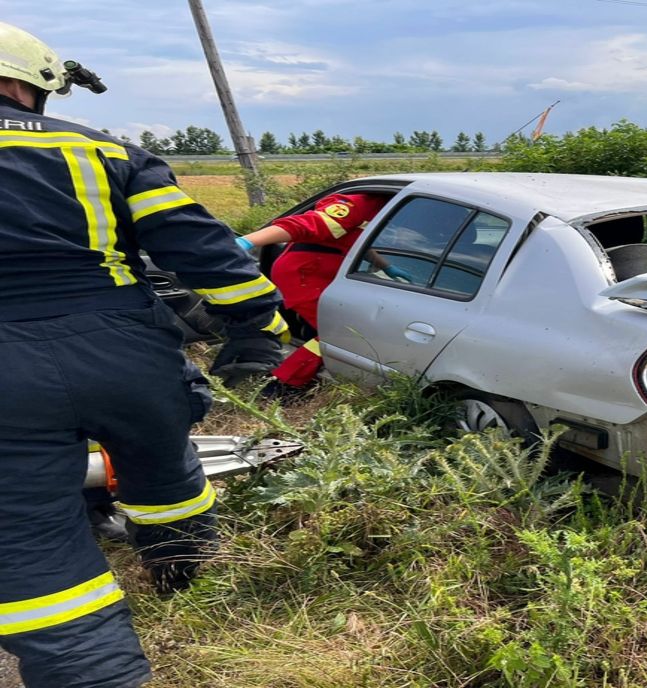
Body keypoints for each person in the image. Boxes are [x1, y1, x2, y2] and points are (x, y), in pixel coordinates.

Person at [0, 22, 288, 688]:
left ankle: (94, 672)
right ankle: (181, 568)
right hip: (128, 354)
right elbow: (201, 246)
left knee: (30, 537)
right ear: (24, 84)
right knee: (162, 463)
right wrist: (254, 328)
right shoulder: (104, 151)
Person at [237, 192, 410, 396]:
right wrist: (246, 242)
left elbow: (355, 241)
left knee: (323, 326)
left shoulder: (391, 208)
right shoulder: (359, 204)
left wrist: (386, 267)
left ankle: (308, 370)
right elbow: (304, 224)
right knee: (337, 334)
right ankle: (282, 385)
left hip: (324, 274)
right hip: (304, 276)